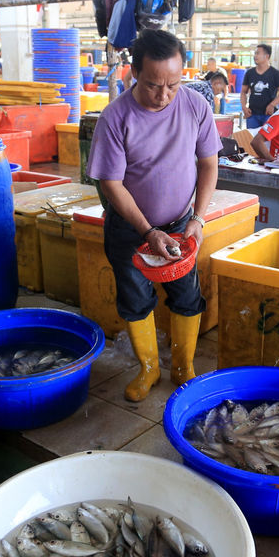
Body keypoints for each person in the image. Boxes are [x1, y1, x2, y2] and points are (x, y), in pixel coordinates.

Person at [87, 29, 221, 402]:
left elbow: (209, 164)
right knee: (134, 300)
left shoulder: (195, 105)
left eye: (173, 86)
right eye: (152, 85)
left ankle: (183, 367)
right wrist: (147, 231)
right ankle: (149, 368)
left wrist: (198, 218)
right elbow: (112, 183)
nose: (163, 96)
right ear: (133, 72)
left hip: (180, 225)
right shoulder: (115, 117)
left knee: (187, 296)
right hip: (130, 230)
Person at [240, 44, 279, 129]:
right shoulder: (250, 73)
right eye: (255, 53)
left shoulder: (275, 74)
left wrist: (272, 105)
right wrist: (244, 107)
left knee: (267, 140)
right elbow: (243, 91)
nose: (255, 56)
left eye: (258, 53)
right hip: (252, 114)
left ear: (266, 56)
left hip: (268, 115)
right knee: (251, 139)